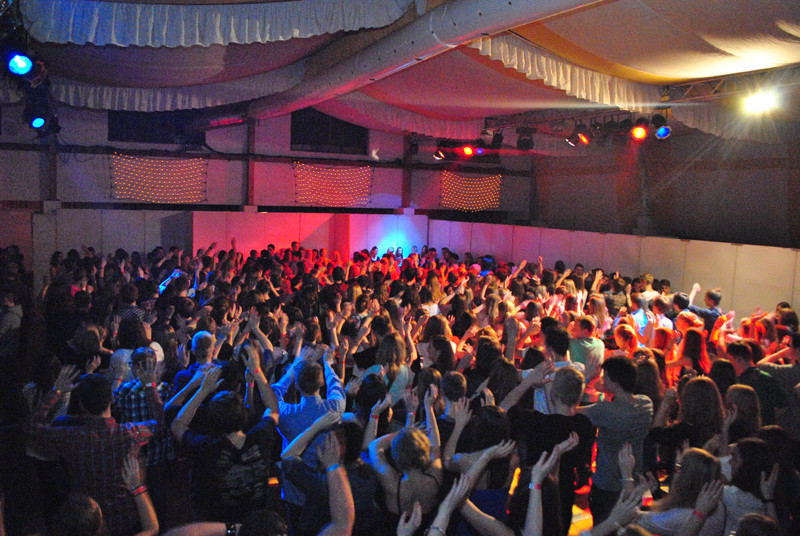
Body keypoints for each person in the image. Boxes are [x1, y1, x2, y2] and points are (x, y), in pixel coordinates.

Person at [26, 365, 163, 536]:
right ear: (111, 399)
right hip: (125, 521)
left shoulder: (72, 437)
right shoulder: (130, 434)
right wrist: (150, 386)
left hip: (86, 522)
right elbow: (159, 424)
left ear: (82, 406)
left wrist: (57, 390)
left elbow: (31, 428)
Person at [170, 347, 280, 523]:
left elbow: (177, 425)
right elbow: (273, 408)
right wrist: (257, 371)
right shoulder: (261, 437)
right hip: (253, 526)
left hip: (214, 526)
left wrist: (202, 390)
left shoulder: (206, 448)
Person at [578, 357, 653, 524]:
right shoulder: (646, 403)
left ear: (616, 383)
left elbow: (570, 410)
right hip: (634, 480)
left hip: (607, 483)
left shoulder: (606, 410)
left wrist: (586, 379)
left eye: (605, 377)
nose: (602, 379)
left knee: (604, 526)